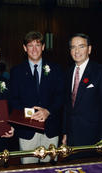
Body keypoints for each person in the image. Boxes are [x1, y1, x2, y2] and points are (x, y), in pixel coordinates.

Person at [10, 31, 65, 164]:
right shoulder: (16, 71)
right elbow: (13, 100)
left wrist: (47, 111)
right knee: (29, 170)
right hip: (27, 131)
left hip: (50, 129)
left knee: (50, 169)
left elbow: (61, 96)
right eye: (30, 45)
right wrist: (31, 114)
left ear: (43, 47)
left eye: (38, 45)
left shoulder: (56, 69)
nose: (34, 49)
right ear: (25, 48)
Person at [62, 33, 102, 158]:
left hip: (93, 139)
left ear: (89, 49)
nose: (77, 51)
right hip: (71, 138)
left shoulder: (101, 72)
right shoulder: (68, 73)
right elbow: (67, 107)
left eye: (81, 46)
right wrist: (64, 133)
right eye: (73, 47)